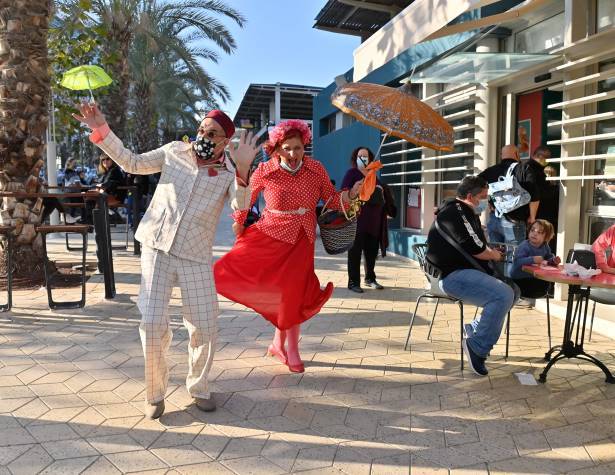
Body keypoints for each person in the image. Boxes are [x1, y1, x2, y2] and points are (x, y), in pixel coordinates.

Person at [73, 101, 256, 419]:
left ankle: (198, 386)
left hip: (195, 255)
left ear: (225, 141)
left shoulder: (229, 172)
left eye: (212, 133)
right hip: (157, 247)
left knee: (205, 326)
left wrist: (242, 172)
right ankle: (155, 393)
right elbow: (132, 162)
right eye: (202, 129)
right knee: (152, 323)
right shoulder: (174, 151)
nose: (203, 136)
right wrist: (101, 129)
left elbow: (241, 207)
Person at [214, 119, 362, 374]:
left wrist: (351, 194)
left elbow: (331, 199)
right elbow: (246, 199)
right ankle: (280, 346)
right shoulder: (265, 170)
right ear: (277, 148)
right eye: (287, 148)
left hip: (302, 240)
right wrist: (239, 222)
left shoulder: (316, 169)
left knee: (293, 295)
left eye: (298, 148)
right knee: (274, 290)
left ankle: (288, 347)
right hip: (270, 236)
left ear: (305, 146)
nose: (293, 154)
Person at [425, 175, 518, 376]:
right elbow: (476, 248)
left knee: (513, 291)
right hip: (450, 277)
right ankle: (477, 347)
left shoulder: (463, 212)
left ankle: (475, 328)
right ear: (469, 196)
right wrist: (495, 255)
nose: (486, 201)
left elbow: (475, 244)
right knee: (503, 295)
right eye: (483, 197)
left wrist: (488, 248)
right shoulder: (458, 212)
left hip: (461, 271)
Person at [341, 146, 396, 293]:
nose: (363, 159)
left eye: (365, 156)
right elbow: (343, 193)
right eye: (360, 156)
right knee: (355, 252)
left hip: (374, 222)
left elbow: (380, 194)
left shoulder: (373, 175)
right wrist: (354, 189)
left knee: (371, 252)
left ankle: (370, 278)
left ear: (370, 158)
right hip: (357, 221)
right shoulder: (352, 173)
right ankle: (353, 282)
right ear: (355, 158)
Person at [479, 144, 541, 246]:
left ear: (501, 155)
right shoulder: (524, 169)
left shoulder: (490, 171)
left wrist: (489, 201)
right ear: (517, 154)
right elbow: (534, 195)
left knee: (496, 253)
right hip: (514, 221)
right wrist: (532, 217)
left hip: (494, 219)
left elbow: (475, 186)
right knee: (513, 254)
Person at [511, 219, 561, 300]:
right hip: (520, 280)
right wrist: (532, 259)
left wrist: (553, 261)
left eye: (539, 232)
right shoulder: (524, 246)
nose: (534, 233)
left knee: (547, 283)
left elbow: (548, 259)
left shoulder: (545, 246)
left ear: (546, 237)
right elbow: (517, 262)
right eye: (532, 230)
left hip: (536, 278)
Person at [98, 153, 128, 224]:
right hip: (107, 196)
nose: (105, 161)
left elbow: (108, 183)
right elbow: (102, 184)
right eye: (103, 159)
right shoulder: (105, 172)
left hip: (115, 197)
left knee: (92, 199)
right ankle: (94, 222)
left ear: (112, 160)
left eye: (107, 159)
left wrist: (100, 186)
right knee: (89, 198)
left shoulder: (114, 170)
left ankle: (94, 222)